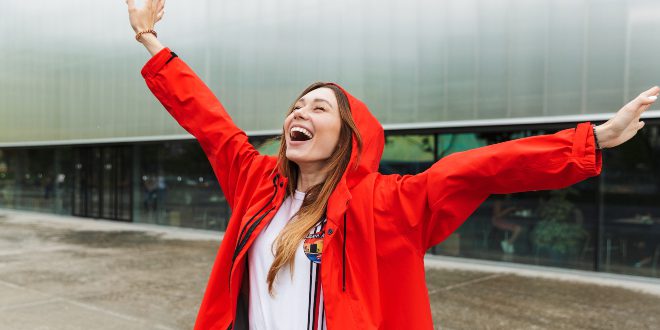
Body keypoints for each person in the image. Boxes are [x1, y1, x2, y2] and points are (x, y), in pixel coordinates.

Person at [125, 1, 659, 329]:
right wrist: (149, 38)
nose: (299, 112)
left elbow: (485, 167)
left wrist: (592, 139)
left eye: (319, 107)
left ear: (348, 135)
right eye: (297, 105)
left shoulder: (388, 203)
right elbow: (209, 120)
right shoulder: (256, 182)